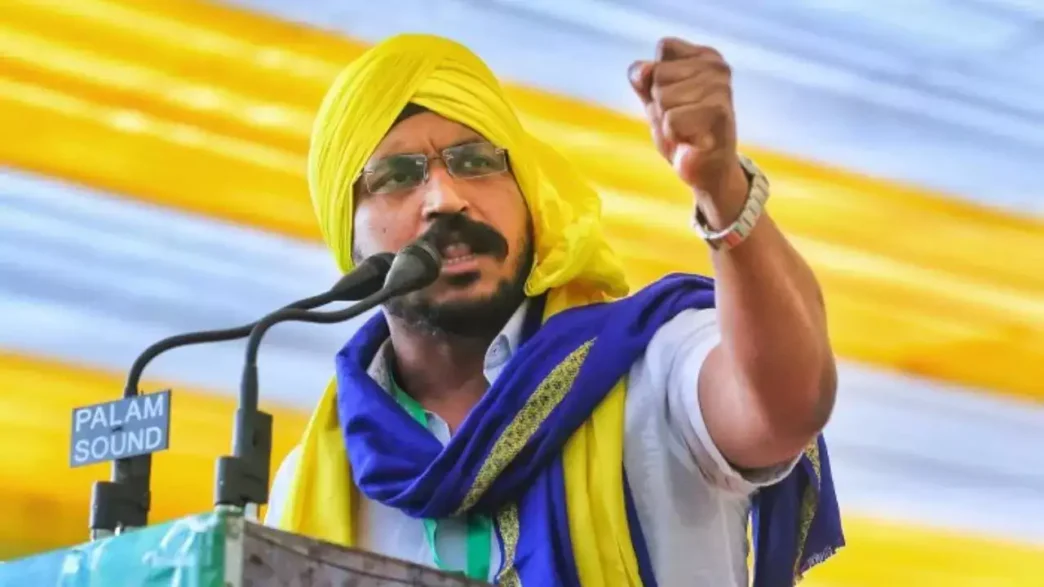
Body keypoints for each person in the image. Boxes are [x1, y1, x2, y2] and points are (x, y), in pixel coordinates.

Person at [265, 33, 844, 586]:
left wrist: (723, 190)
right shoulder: (315, 482)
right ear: (347, 238)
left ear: (528, 197)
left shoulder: (646, 366)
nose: (445, 199)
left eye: (476, 162)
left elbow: (787, 405)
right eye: (396, 176)